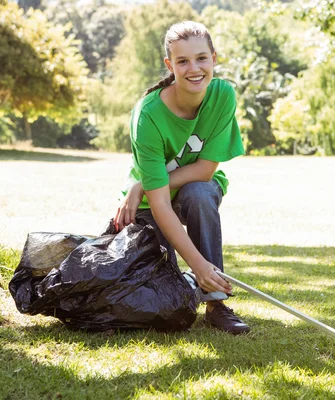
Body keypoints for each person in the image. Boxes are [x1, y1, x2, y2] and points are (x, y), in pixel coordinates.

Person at [113, 21, 249, 335]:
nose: (194, 68)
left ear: (214, 58)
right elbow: (159, 201)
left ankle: (216, 304)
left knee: (199, 194)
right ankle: (189, 283)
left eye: (202, 58)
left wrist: (141, 185)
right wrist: (197, 266)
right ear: (169, 65)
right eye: (183, 61)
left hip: (184, 188)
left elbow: (204, 171)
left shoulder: (223, 95)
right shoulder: (147, 115)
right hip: (151, 201)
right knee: (165, 303)